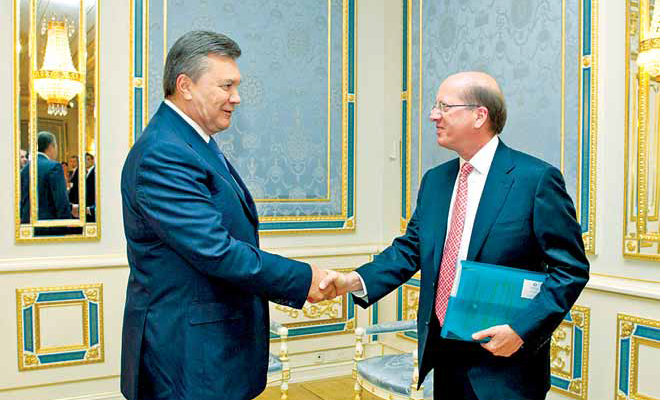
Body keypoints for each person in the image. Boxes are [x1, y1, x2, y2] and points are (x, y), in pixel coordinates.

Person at [321, 72, 590, 400]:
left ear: (479, 115)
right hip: (444, 355)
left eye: (444, 107)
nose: (433, 115)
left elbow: (570, 270)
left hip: (506, 364)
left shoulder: (535, 180)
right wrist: (353, 281)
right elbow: (411, 248)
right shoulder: (436, 180)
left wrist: (521, 330)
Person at [119, 30, 334, 400]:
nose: (236, 97)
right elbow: (216, 250)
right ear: (185, 86)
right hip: (187, 358)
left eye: (236, 86)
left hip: (207, 350)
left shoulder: (191, 142)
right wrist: (304, 279)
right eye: (226, 86)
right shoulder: (164, 153)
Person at [20, 132, 79, 234]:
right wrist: (67, 225)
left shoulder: (25, 169)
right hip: (50, 227)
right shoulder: (54, 166)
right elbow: (60, 201)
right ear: (51, 146)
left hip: (28, 228)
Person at [84, 152, 96, 222]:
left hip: (91, 206)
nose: (86, 162)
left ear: (93, 160)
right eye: (85, 160)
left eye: (88, 159)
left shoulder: (94, 172)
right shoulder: (86, 172)